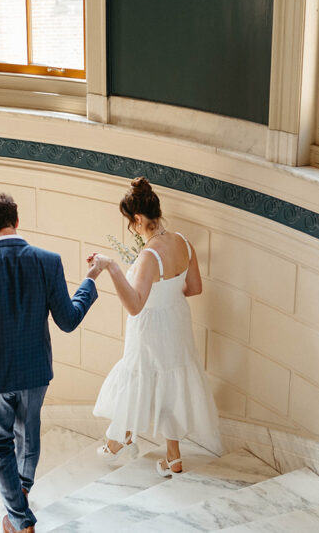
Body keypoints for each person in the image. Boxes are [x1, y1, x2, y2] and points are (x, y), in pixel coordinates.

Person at [0, 192, 109, 533]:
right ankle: (21, 492)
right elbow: (67, 320)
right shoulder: (48, 261)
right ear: (17, 221)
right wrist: (91, 279)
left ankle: (21, 520)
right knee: (28, 431)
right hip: (36, 371)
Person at [88, 177, 222, 476]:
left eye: (131, 223)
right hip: (177, 320)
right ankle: (173, 457)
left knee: (139, 378)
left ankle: (118, 439)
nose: (132, 229)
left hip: (149, 326)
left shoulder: (150, 256)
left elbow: (135, 305)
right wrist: (168, 295)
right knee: (170, 381)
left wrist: (111, 268)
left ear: (138, 219)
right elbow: (195, 287)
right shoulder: (184, 242)